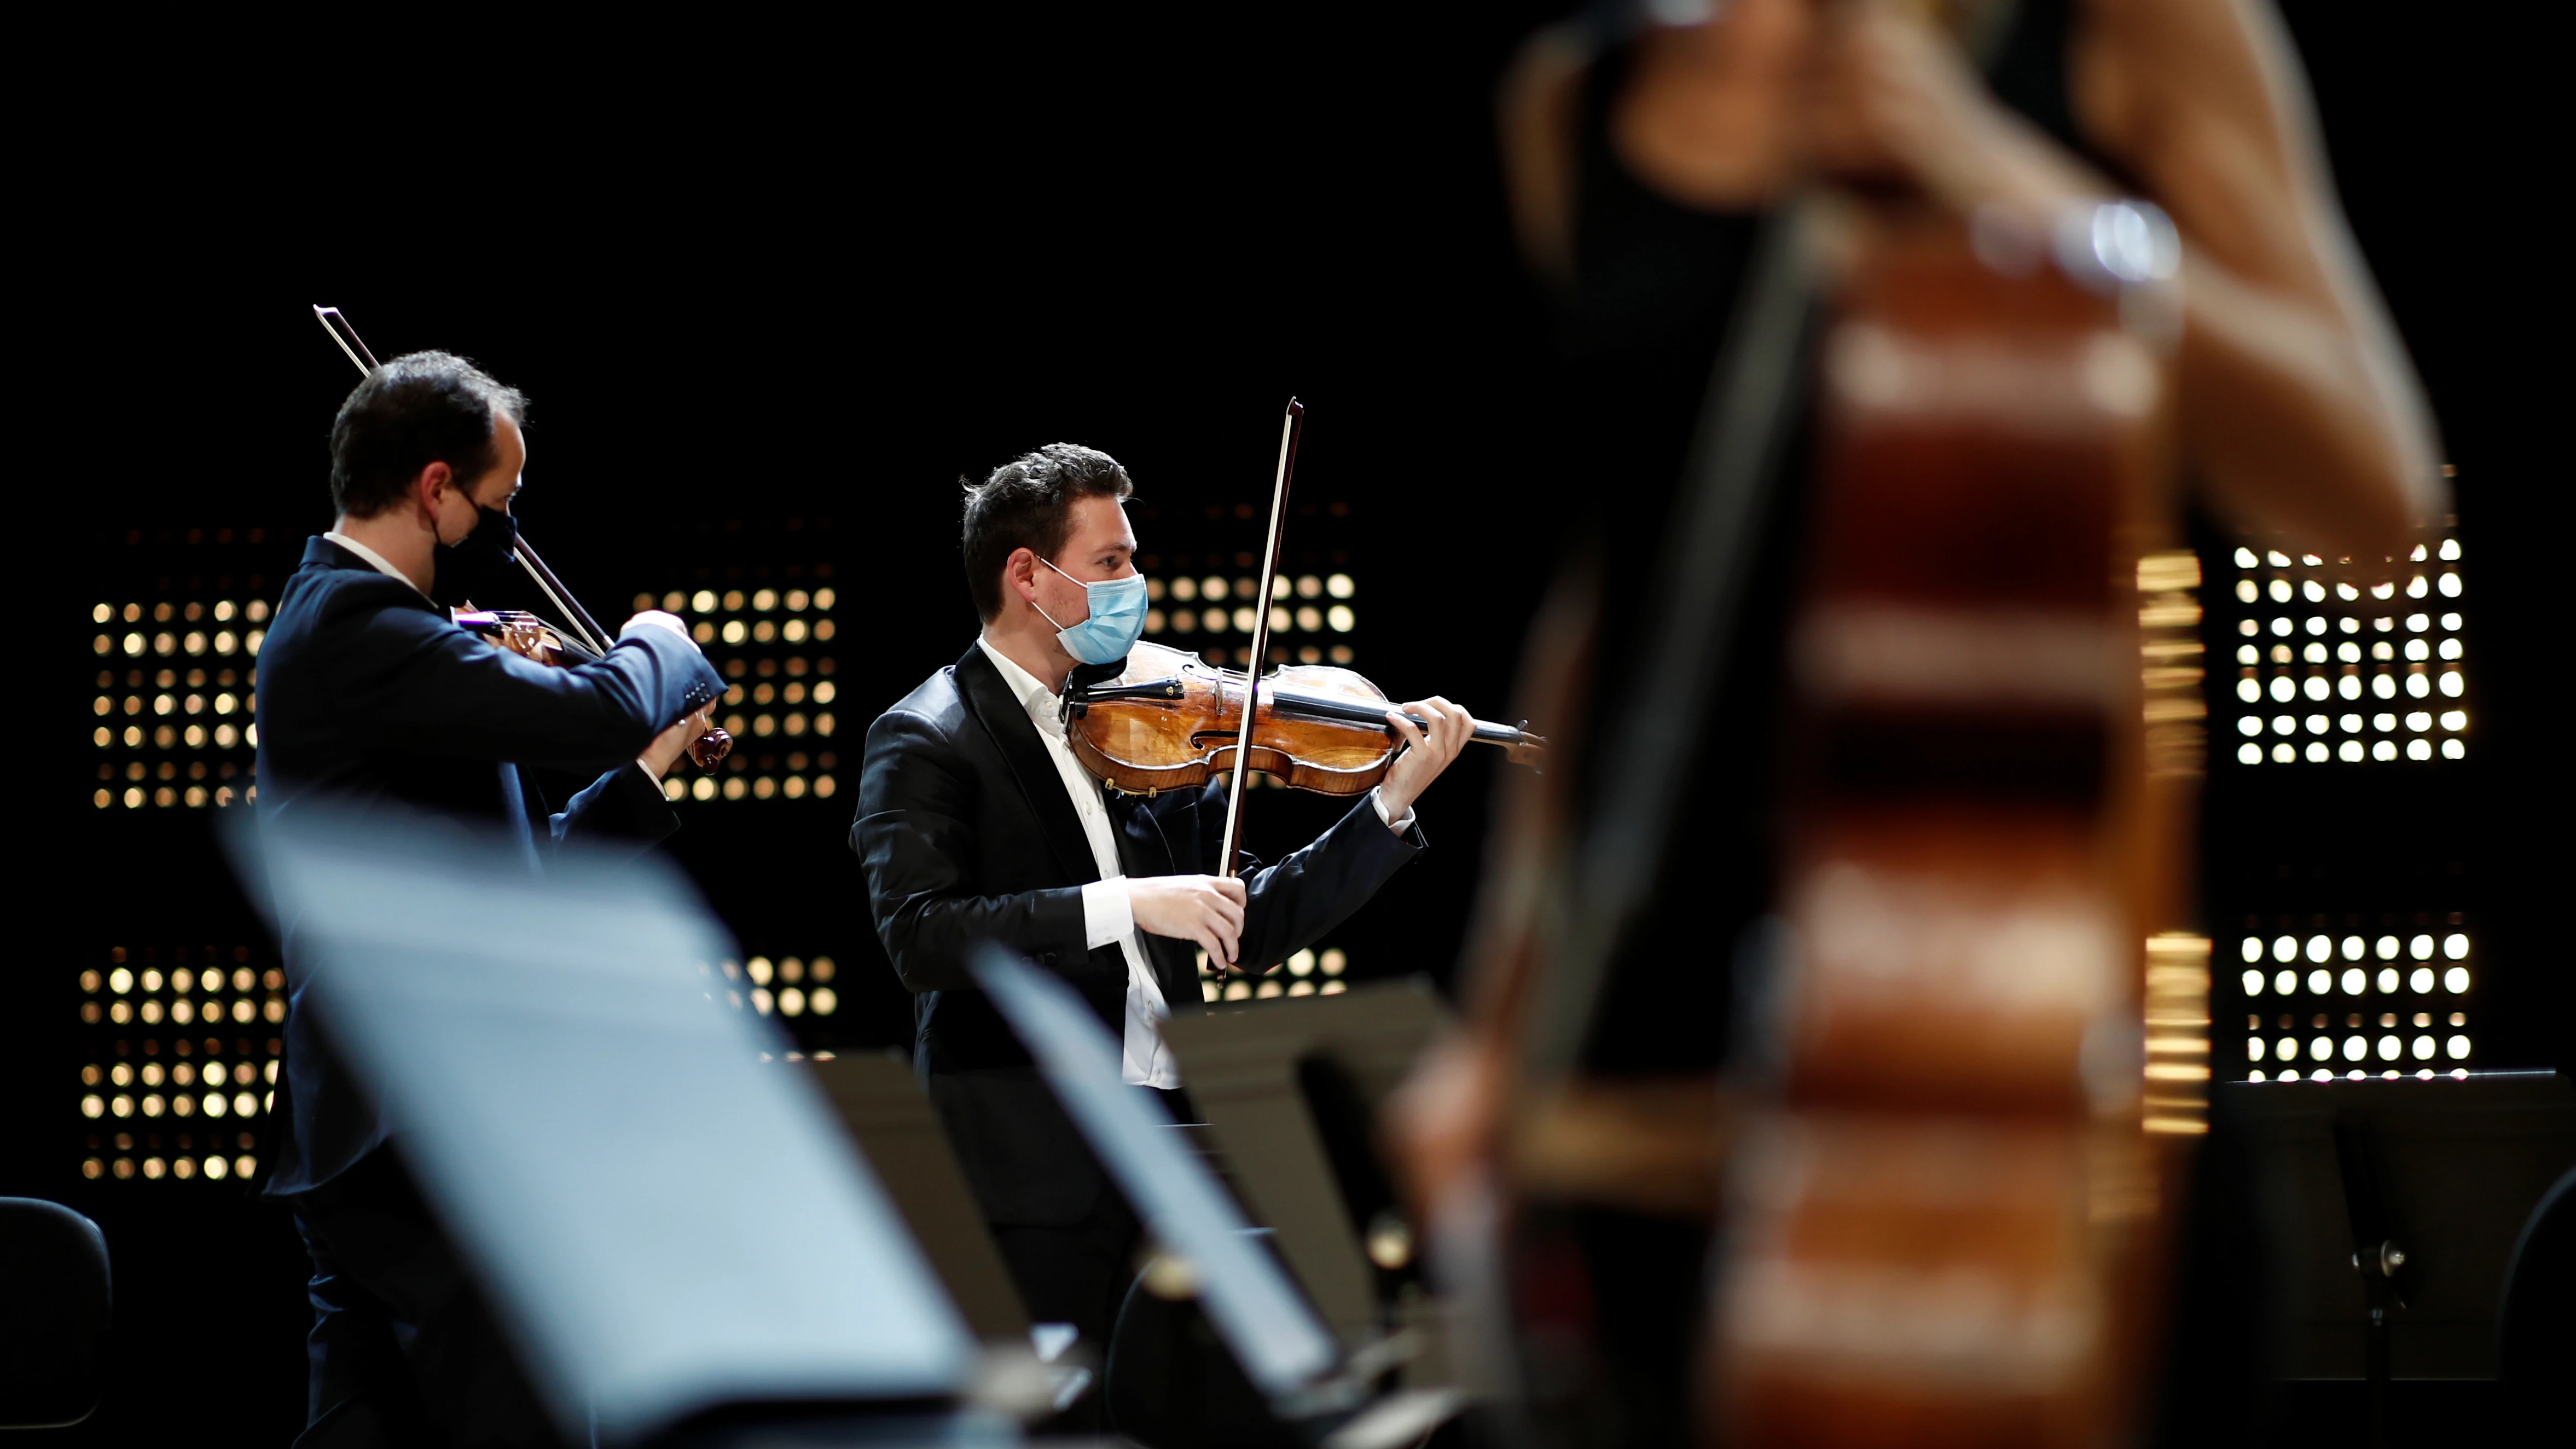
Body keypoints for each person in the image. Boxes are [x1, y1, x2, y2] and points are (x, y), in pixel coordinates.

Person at [1397, 1, 2450, 1444]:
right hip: (1658, 1094)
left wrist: (2003, 175)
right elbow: (1615, 589)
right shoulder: (1573, 98)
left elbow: (2375, 504)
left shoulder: (2137, 32)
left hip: (2002, 1069)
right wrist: (1504, 1014)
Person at [851, 442, 1472, 1385]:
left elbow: (1244, 922)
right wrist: (1130, 902)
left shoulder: (1146, 722)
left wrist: (1386, 808)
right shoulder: (927, 734)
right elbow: (924, 937)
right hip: (1031, 1174)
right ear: (1029, 574)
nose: (1135, 585)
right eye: (1112, 564)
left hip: (1175, 1154)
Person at [254, 351, 724, 1449]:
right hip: (427, 1122)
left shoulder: (373, 633)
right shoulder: (358, 630)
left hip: (382, 1128)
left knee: (362, 1433)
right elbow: (599, 706)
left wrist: (646, 769)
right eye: (498, 507)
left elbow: (510, 867)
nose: (505, 538)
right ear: (433, 489)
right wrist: (659, 637)